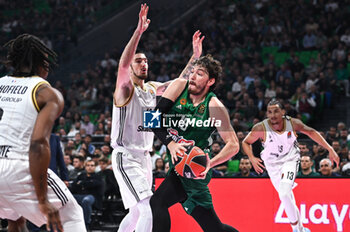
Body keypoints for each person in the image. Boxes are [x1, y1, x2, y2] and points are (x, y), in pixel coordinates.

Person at [110, 4, 204, 232]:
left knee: (136, 212)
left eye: (146, 61)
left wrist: (195, 57)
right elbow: (123, 63)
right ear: (131, 67)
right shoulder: (124, 89)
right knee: (148, 208)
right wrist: (139, 31)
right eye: (139, 61)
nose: (144, 64)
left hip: (144, 158)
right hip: (126, 156)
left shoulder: (152, 89)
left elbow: (179, 82)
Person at [0, 34, 85, 231]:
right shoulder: (47, 93)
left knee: (16, 218)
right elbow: (38, 143)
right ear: (41, 63)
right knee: (72, 216)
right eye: (46, 59)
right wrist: (43, 199)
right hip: (19, 167)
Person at [150, 54, 240, 232]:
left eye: (200, 73)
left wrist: (210, 163)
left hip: (195, 169)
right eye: (193, 71)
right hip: (178, 165)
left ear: (210, 81)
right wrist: (170, 144)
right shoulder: (178, 86)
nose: (192, 76)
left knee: (157, 202)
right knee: (214, 228)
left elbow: (233, 144)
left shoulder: (214, 106)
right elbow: (151, 120)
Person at [242, 99, 339, 232]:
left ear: (283, 112)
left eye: (276, 111)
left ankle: (296, 229)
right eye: (270, 112)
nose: (273, 114)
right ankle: (301, 229)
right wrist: (252, 158)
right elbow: (246, 142)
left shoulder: (293, 123)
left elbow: (312, 132)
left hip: (290, 159)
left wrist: (330, 149)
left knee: (284, 193)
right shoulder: (260, 128)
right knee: (287, 196)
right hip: (272, 164)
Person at [70, 160, 104, 229]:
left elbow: (94, 184)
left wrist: (81, 183)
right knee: (67, 198)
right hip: (80, 195)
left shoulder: (98, 176)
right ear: (85, 167)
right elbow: (74, 185)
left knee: (86, 200)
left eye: (92, 165)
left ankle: (86, 224)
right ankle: (69, 222)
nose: (90, 167)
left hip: (93, 197)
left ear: (95, 167)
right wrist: (86, 183)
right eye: (88, 165)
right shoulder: (81, 175)